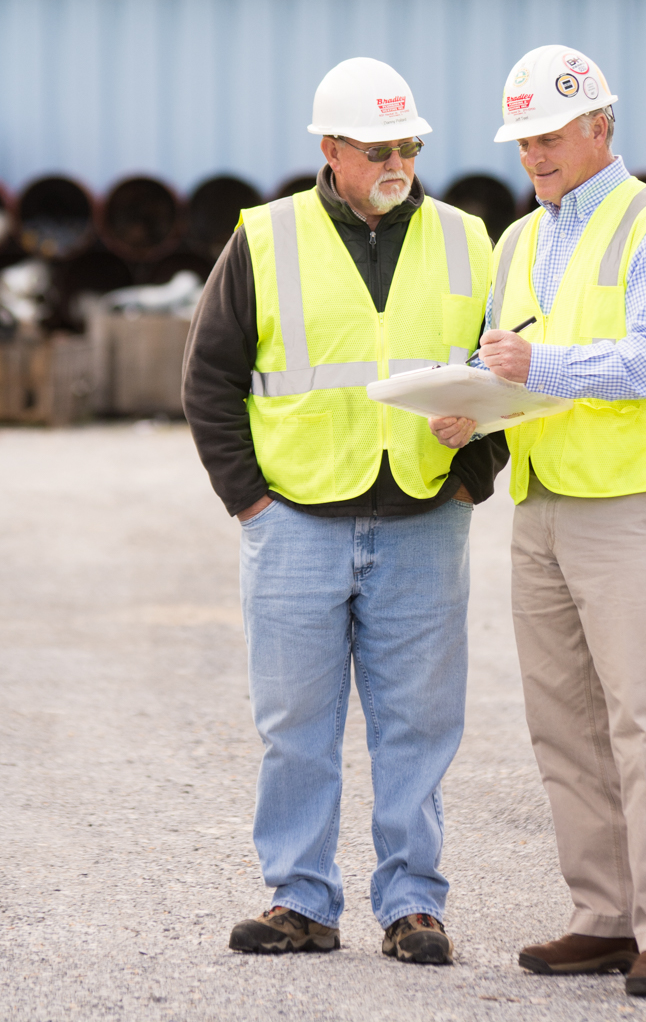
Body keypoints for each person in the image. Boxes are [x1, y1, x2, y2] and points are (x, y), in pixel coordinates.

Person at [182, 57, 507, 965]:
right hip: (294, 520)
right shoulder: (264, 237)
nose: (397, 160)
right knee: (296, 726)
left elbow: (509, 374)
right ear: (331, 150)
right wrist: (249, 500)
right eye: (378, 148)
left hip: (424, 517)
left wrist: (472, 470)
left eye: (408, 145)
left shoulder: (466, 239)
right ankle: (301, 900)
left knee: (419, 724)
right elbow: (208, 378)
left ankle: (413, 907)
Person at [431, 44, 646, 998]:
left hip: (637, 508)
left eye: (550, 136)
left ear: (601, 124)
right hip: (545, 506)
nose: (536, 156)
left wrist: (530, 370)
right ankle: (603, 917)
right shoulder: (518, 241)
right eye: (523, 141)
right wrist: (471, 405)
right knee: (565, 727)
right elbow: (511, 366)